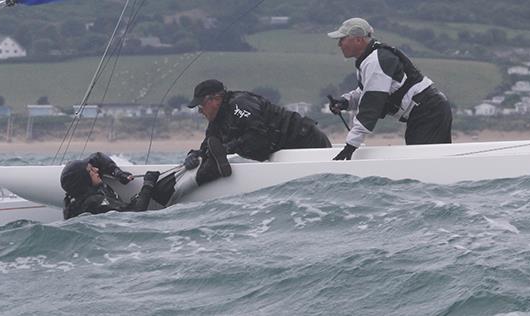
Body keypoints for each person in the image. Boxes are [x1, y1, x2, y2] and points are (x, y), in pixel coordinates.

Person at [327, 17, 453, 160]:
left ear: (358, 39)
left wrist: (351, 145)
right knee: (428, 163)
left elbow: (371, 106)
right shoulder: (371, 58)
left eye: (342, 39)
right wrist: (345, 102)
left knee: (423, 164)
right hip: (429, 109)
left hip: (428, 111)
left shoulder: (375, 61)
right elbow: (365, 92)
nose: (339, 44)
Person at [183, 79, 331, 183]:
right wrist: (196, 155)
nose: (199, 111)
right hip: (288, 150)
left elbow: (259, 137)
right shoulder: (217, 119)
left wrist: (227, 148)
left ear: (215, 99)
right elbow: (211, 144)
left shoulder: (238, 105)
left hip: (308, 142)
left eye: (201, 105)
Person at [60, 152, 160, 220]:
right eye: (91, 170)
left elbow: (97, 157)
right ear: (84, 179)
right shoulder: (95, 202)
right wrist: (148, 184)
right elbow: (135, 213)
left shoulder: (74, 195)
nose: (96, 170)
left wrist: (117, 173)